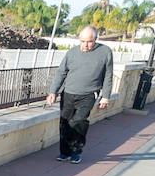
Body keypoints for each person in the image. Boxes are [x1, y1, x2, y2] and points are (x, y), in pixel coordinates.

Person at [45, 26, 113, 164]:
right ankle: (64, 152)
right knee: (65, 123)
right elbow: (61, 72)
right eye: (82, 41)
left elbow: (108, 75)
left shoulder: (105, 52)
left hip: (89, 94)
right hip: (69, 93)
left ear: (95, 39)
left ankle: (76, 152)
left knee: (79, 122)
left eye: (89, 42)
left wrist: (105, 96)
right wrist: (53, 92)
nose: (85, 45)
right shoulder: (72, 53)